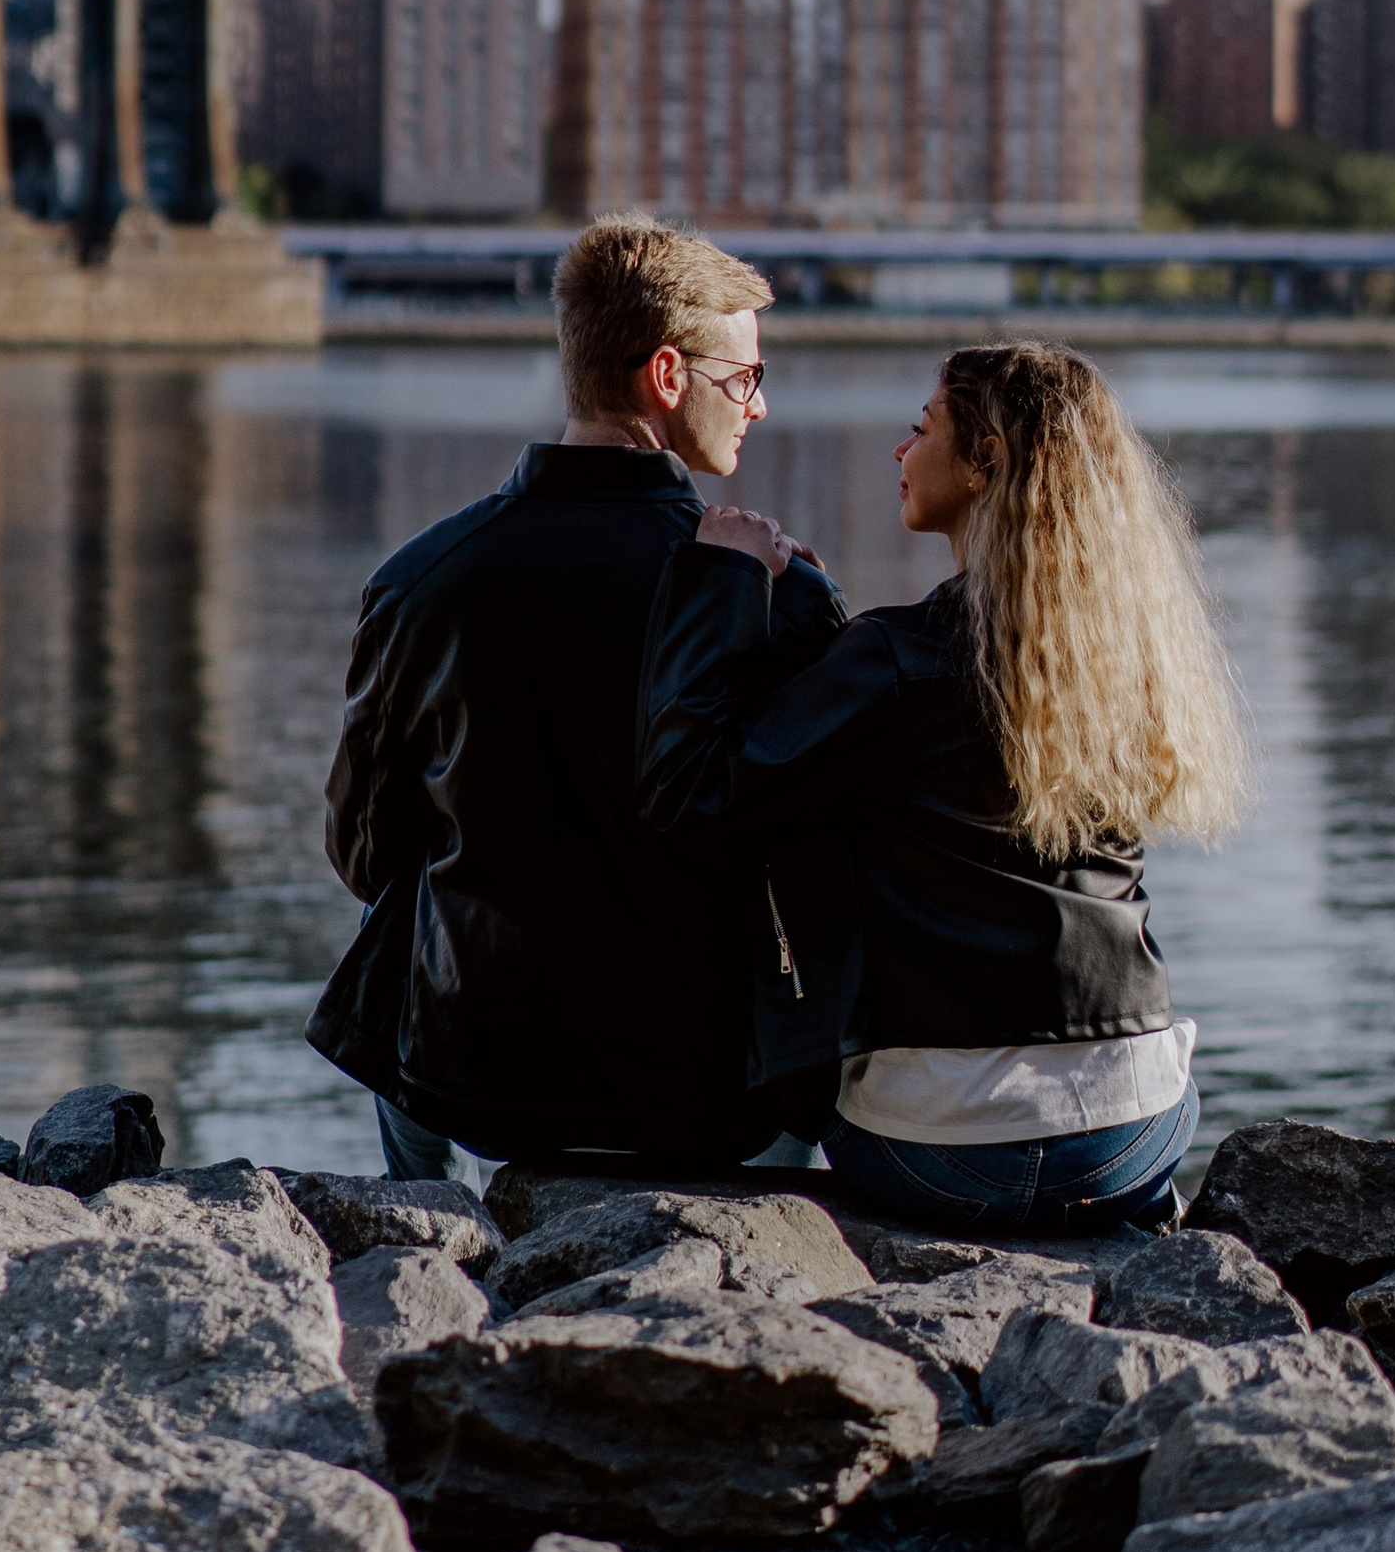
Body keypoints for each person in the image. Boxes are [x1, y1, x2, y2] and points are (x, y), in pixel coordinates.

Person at [637, 340, 1247, 1234]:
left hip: (941, 1146)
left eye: (923, 428)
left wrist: (728, 578)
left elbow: (692, 790)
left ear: (982, 461)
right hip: (1131, 1132)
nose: (901, 448)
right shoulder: (1126, 666)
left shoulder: (896, 660)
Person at [308, 215, 842, 1176]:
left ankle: (425, 1223)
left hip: (486, 1090)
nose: (758, 405)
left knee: (399, 925)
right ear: (667, 376)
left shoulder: (421, 582)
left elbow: (367, 856)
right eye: (745, 378)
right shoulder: (781, 593)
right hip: (712, 1100)